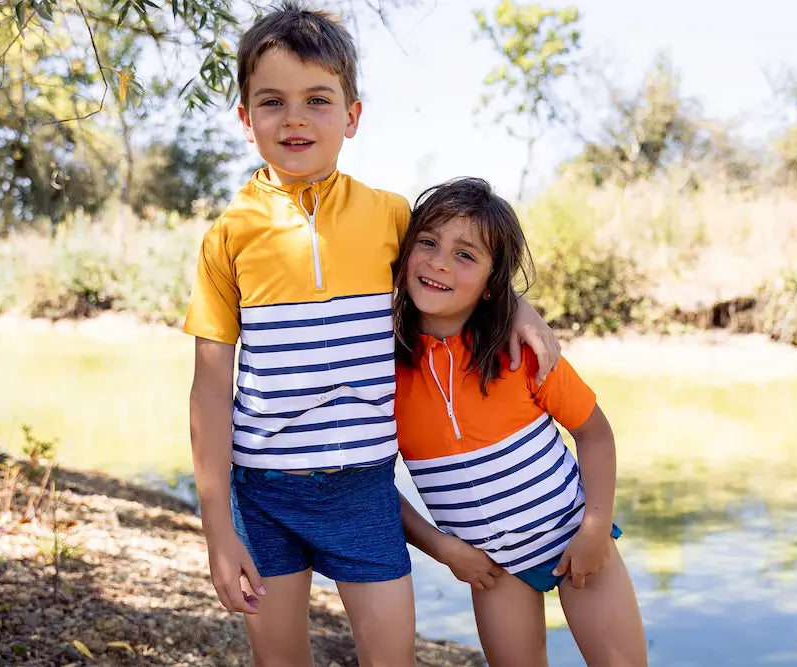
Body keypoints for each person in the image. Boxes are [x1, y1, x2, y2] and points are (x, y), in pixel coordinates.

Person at [183, 6, 560, 666]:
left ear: (352, 116)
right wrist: (217, 527)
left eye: (317, 100)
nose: (295, 119)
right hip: (264, 490)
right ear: (246, 119)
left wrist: (519, 303)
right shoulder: (229, 235)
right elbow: (210, 390)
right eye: (272, 102)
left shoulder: (387, 215)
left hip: (364, 492)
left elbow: (451, 271)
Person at [394, 177, 648, 667]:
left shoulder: (523, 352)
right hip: (491, 568)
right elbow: (374, 481)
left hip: (576, 539)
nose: (440, 262)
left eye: (465, 255)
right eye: (427, 242)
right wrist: (443, 549)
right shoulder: (384, 369)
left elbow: (593, 431)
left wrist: (595, 528)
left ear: (493, 285)